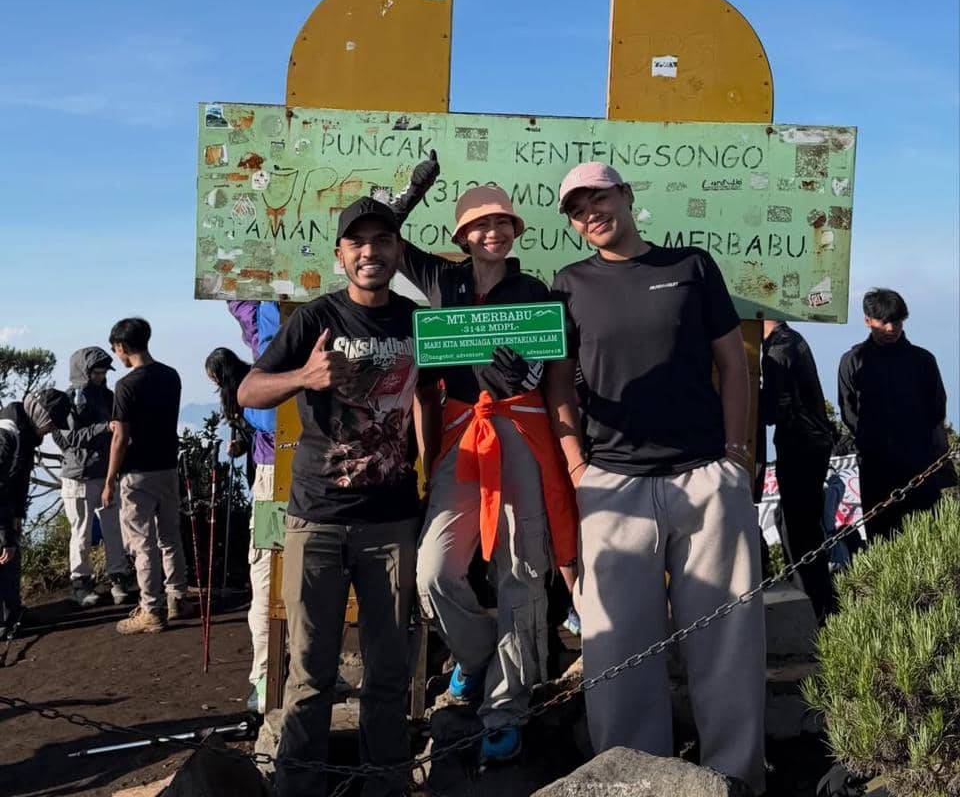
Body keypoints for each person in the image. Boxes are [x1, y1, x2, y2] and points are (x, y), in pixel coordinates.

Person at [542, 162, 766, 796]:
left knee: (727, 638)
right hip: (612, 484)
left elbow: (733, 363)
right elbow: (558, 384)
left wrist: (736, 456)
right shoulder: (569, 284)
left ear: (626, 195)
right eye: (576, 208)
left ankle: (736, 778)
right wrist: (577, 466)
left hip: (705, 475)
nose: (590, 213)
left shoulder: (691, 266)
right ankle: (629, 781)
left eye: (598, 197)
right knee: (617, 649)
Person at [238, 197, 436, 797]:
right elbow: (249, 390)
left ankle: (386, 787)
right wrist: (305, 376)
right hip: (316, 521)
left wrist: (430, 471)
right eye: (358, 242)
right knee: (309, 672)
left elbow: (430, 397)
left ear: (397, 251)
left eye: (383, 240)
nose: (370, 252)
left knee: (390, 672)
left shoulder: (417, 321)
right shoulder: (315, 319)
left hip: (392, 522)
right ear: (340, 255)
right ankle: (298, 788)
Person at [394, 170, 578, 766]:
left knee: (521, 569)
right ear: (462, 235)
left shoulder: (535, 291)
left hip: (520, 430)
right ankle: (475, 658)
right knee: (433, 571)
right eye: (480, 224)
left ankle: (507, 706)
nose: (492, 232)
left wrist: (526, 374)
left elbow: (551, 365)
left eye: (501, 222)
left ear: (514, 230)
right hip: (460, 435)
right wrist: (411, 192)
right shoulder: (440, 278)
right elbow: (384, 235)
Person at [839, 288, 954, 542]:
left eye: (897, 322)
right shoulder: (853, 361)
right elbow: (849, 411)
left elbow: (937, 409)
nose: (891, 328)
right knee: (882, 540)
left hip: (920, 466)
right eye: (884, 322)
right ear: (867, 320)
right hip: (876, 469)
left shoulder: (923, 361)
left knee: (929, 540)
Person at [101, 317, 191, 634]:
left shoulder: (126, 386)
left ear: (122, 346)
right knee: (170, 536)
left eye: (116, 349)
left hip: (137, 473)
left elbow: (120, 438)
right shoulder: (171, 376)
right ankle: (177, 597)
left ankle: (151, 609)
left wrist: (109, 480)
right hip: (167, 466)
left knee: (143, 543)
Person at [206, 344, 275, 714]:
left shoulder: (251, 387)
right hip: (275, 475)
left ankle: (264, 673)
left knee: (265, 570)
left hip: (268, 480)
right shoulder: (260, 375)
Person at [761, 321, 835, 622]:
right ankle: (820, 603)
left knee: (800, 531)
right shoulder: (791, 339)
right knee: (801, 525)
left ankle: (817, 608)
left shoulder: (779, 348)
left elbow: (769, 411)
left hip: (800, 446)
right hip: (813, 444)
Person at [53, 346, 134, 608]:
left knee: (113, 529)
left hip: (104, 472)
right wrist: (104, 428)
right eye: (96, 372)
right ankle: (81, 583)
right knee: (82, 532)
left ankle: (118, 578)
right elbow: (70, 439)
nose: (101, 377)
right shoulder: (68, 401)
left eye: (103, 372)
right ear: (84, 372)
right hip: (78, 476)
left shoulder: (108, 397)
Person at [1, 389, 70, 637]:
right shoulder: (8, 434)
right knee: (3, 556)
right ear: (42, 415)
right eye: (52, 424)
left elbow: (18, 481)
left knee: (10, 558)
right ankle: (4, 622)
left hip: (7, 507)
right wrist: (5, 535)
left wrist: (18, 515)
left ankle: (12, 613)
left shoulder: (25, 434)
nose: (52, 430)